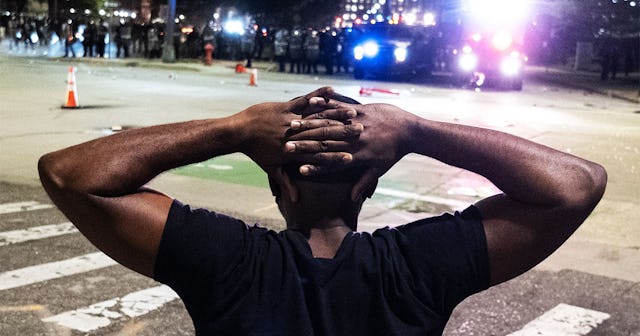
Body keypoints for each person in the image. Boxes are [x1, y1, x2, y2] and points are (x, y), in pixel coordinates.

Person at [38, 88, 607, 335]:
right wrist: (413, 129)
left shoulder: (229, 262)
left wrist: (234, 128)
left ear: (277, 185)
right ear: (368, 187)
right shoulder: (415, 269)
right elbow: (576, 186)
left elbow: (70, 175)